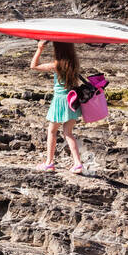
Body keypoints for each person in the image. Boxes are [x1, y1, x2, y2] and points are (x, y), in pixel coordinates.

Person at [30, 40, 84, 173]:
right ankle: (77, 163)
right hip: (73, 101)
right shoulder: (74, 64)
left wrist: (39, 49)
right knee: (68, 133)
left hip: (60, 101)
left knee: (52, 131)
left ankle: (49, 163)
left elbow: (34, 66)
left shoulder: (56, 65)